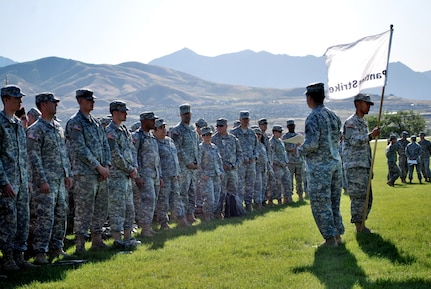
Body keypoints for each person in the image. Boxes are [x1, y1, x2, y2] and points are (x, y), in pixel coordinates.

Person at [26, 93, 73, 265]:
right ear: (43, 105)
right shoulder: (35, 129)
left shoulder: (58, 128)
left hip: (60, 181)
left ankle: (57, 248)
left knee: (61, 215)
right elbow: (33, 156)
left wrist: (68, 174)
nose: (56, 105)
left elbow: (63, 153)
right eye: (53, 103)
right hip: (45, 182)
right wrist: (42, 180)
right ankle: (40, 252)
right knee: (45, 217)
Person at [65, 89, 111, 254]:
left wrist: (106, 166)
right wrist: (98, 167)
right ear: (79, 101)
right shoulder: (75, 122)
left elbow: (105, 145)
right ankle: (80, 244)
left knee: (101, 207)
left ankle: (97, 239)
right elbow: (80, 149)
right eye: (88, 100)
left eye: (93, 100)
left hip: (101, 173)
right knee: (84, 209)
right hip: (85, 173)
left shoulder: (96, 122)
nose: (92, 102)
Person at [299, 82, 344, 247]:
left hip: (320, 168)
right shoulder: (333, 115)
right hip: (335, 164)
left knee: (320, 204)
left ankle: (330, 239)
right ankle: (337, 236)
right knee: (334, 202)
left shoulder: (313, 117)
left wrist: (299, 149)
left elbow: (312, 144)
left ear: (310, 98)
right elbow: (338, 137)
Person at [0, 85, 35, 270]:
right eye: (16, 98)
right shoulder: (0, 122)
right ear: (6, 99)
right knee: (9, 221)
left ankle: (19, 256)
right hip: (8, 182)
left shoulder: (17, 124)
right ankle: (7, 259)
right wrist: (4, 182)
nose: (21, 101)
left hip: (21, 181)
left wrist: (27, 179)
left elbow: (24, 155)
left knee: (23, 219)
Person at [342, 93, 380, 234]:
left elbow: (365, 148)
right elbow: (353, 140)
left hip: (363, 165)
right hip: (355, 166)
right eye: (366, 103)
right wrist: (370, 135)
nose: (369, 106)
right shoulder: (351, 122)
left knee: (367, 197)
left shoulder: (363, 122)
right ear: (358, 104)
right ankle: (359, 227)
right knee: (358, 197)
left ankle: (362, 224)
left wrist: (369, 166)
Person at [105, 101, 140, 249]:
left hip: (127, 176)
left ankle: (128, 236)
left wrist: (134, 167)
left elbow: (132, 150)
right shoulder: (110, 131)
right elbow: (115, 155)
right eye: (123, 111)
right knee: (117, 208)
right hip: (117, 176)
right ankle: (117, 239)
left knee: (129, 208)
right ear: (115, 113)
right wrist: (129, 169)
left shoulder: (124, 130)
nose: (126, 114)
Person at [153, 119, 190, 228]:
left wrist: (178, 172)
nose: (163, 130)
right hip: (163, 176)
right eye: (160, 128)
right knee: (163, 200)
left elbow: (175, 157)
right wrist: (159, 177)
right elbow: (156, 161)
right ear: (154, 131)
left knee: (177, 198)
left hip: (174, 175)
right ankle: (164, 222)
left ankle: (181, 220)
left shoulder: (170, 141)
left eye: (164, 127)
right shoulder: (154, 143)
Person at [133, 111, 162, 236]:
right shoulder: (137, 136)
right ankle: (144, 228)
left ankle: (148, 226)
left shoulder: (151, 136)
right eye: (151, 120)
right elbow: (133, 155)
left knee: (153, 200)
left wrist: (159, 175)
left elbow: (157, 157)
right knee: (148, 200)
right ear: (144, 121)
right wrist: (137, 175)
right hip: (144, 174)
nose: (154, 122)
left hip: (154, 174)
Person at [170, 104, 200, 224]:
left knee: (192, 192)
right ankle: (181, 217)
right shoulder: (177, 130)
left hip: (193, 167)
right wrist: (188, 162)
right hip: (183, 167)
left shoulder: (193, 129)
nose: (187, 116)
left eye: (188, 114)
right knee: (182, 193)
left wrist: (197, 162)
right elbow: (177, 148)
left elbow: (197, 146)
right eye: (184, 114)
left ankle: (190, 214)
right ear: (181, 115)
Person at [211, 118, 242, 216]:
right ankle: (218, 213)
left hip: (232, 170)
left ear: (226, 126)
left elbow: (239, 153)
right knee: (221, 192)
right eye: (217, 126)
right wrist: (220, 166)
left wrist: (236, 165)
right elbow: (212, 156)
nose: (219, 128)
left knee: (233, 192)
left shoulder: (233, 139)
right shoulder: (213, 139)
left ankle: (232, 212)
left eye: (221, 126)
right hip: (221, 171)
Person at [231, 111, 258, 211]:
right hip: (240, 165)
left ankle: (248, 204)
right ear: (240, 120)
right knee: (240, 185)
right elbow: (232, 150)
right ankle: (239, 205)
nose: (245, 121)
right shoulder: (234, 133)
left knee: (250, 184)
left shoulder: (252, 133)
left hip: (251, 164)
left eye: (247, 119)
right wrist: (240, 159)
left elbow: (256, 148)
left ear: (249, 120)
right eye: (243, 119)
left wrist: (253, 157)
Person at [198, 127, 224, 221]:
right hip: (207, 176)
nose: (207, 137)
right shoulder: (200, 147)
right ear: (202, 136)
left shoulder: (214, 147)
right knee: (209, 197)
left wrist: (221, 172)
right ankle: (207, 215)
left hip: (216, 175)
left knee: (216, 197)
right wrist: (201, 174)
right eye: (205, 135)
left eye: (209, 135)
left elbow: (219, 160)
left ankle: (214, 214)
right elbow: (198, 163)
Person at [282, 119, 305, 201]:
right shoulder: (285, 137)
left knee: (299, 179)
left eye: (293, 126)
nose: (292, 127)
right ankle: (289, 196)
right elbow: (283, 147)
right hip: (290, 161)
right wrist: (291, 149)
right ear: (288, 127)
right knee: (289, 179)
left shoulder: (297, 136)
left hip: (299, 161)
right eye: (290, 126)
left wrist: (299, 146)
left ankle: (300, 195)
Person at [269, 125, 292, 205]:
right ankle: (278, 200)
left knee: (287, 182)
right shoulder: (272, 142)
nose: (281, 133)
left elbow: (283, 152)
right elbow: (272, 155)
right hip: (277, 167)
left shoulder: (280, 141)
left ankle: (287, 198)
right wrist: (280, 163)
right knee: (277, 184)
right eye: (280, 132)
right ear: (275, 132)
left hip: (284, 165)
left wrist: (286, 162)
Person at [257, 118, 275, 206]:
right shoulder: (257, 136)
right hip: (260, 165)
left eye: (265, 124)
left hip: (267, 163)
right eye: (263, 124)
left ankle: (268, 199)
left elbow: (268, 151)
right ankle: (261, 201)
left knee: (269, 181)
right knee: (260, 183)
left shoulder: (265, 137)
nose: (264, 126)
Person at [194, 117, 208, 216]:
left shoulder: (206, 139)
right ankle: (198, 208)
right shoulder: (193, 138)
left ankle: (203, 207)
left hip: (205, 167)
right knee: (197, 188)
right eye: (200, 127)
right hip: (195, 168)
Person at [253, 127, 268, 209]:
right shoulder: (253, 145)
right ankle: (257, 203)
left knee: (263, 185)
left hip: (264, 168)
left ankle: (262, 201)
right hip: (257, 168)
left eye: (259, 134)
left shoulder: (262, 145)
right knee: (258, 186)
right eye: (256, 134)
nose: (258, 136)